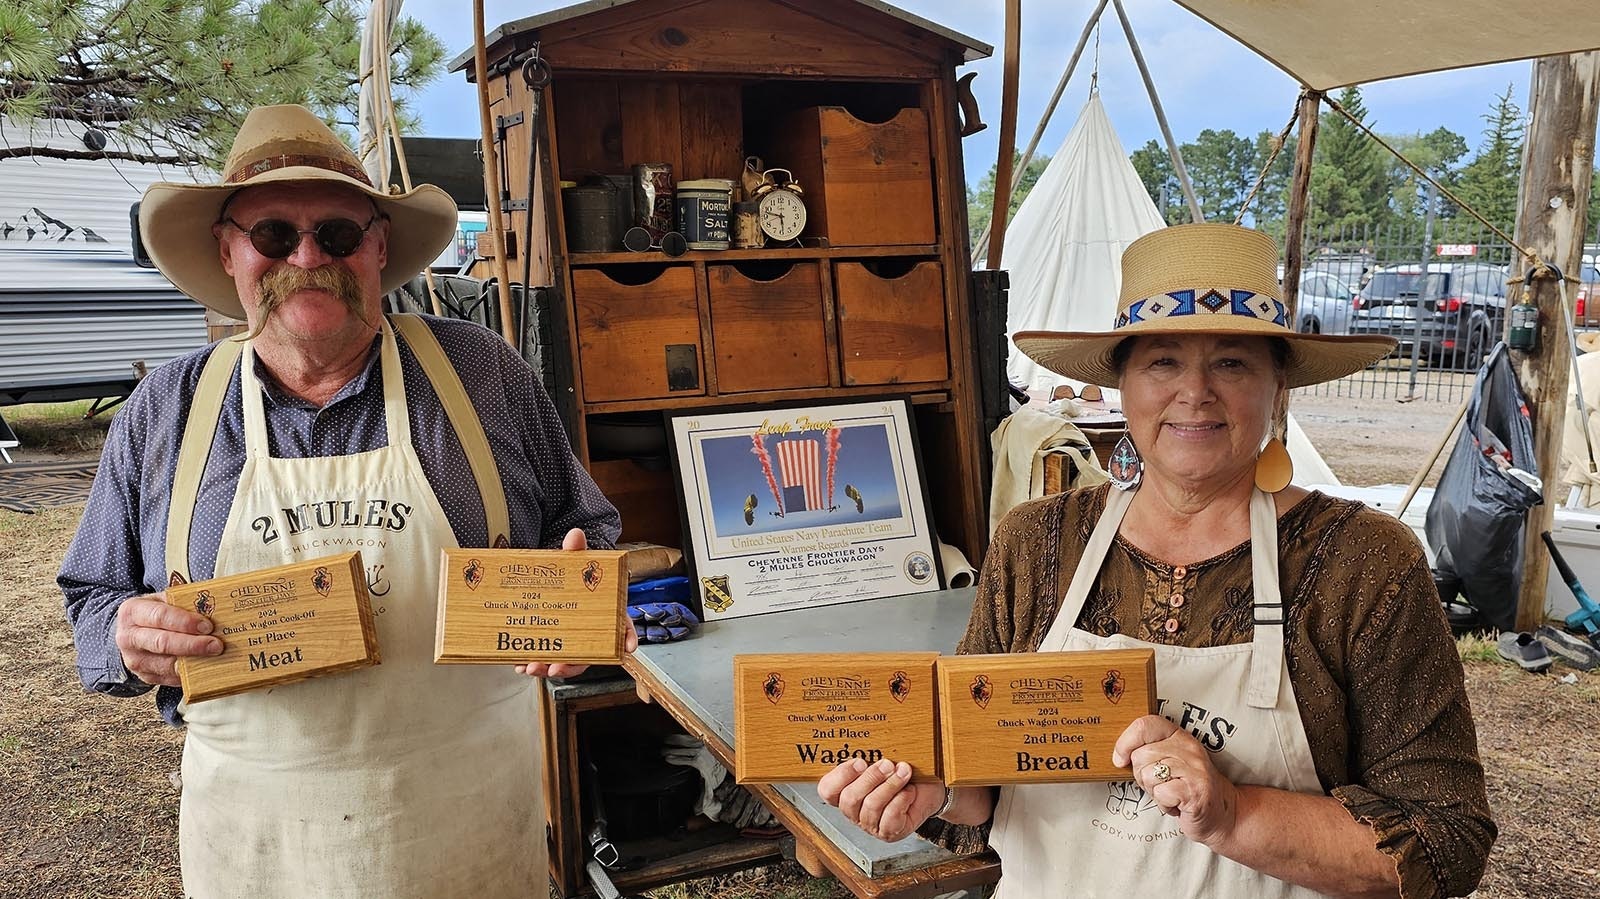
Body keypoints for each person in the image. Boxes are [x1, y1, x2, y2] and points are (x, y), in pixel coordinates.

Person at [818, 223, 1495, 898]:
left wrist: (1231, 813)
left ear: (1277, 382)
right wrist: (932, 791)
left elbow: (1444, 841)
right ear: (1121, 382)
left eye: (1231, 362)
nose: (1194, 392)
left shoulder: (1363, 562)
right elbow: (981, 781)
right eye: (1162, 361)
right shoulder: (1034, 543)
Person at [59, 104, 631, 898]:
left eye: (336, 234)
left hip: (468, 831)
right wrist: (124, 635)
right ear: (228, 251)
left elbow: (587, 527)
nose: (306, 257)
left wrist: (586, 595)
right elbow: (91, 596)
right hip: (257, 852)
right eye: (271, 236)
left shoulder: (483, 373)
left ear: (379, 246)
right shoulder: (167, 408)